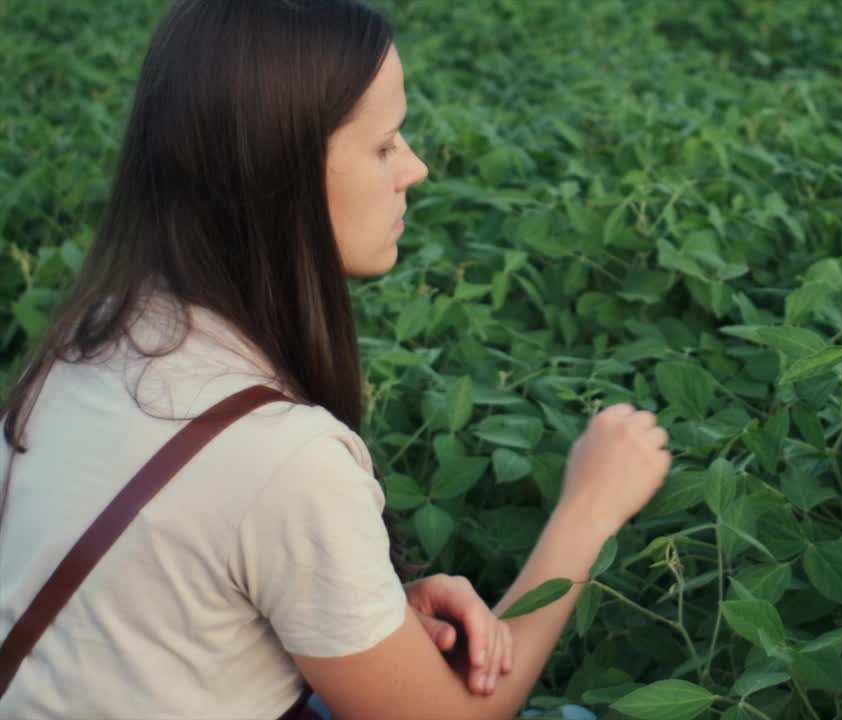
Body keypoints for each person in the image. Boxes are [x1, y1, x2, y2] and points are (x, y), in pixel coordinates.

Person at [0, 1, 672, 718]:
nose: (414, 167)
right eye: (384, 145)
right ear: (275, 171)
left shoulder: (91, 339)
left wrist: (368, 612)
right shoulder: (283, 461)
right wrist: (589, 511)